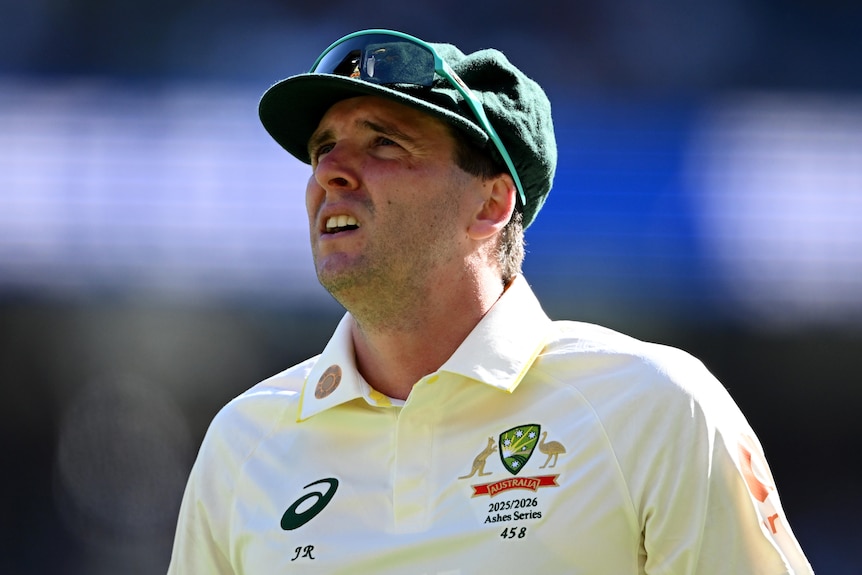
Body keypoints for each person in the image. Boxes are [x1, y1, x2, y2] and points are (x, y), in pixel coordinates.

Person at [168, 29, 813, 574]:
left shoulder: (655, 406)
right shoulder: (243, 443)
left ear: (492, 203)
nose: (329, 173)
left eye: (385, 142)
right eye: (322, 149)